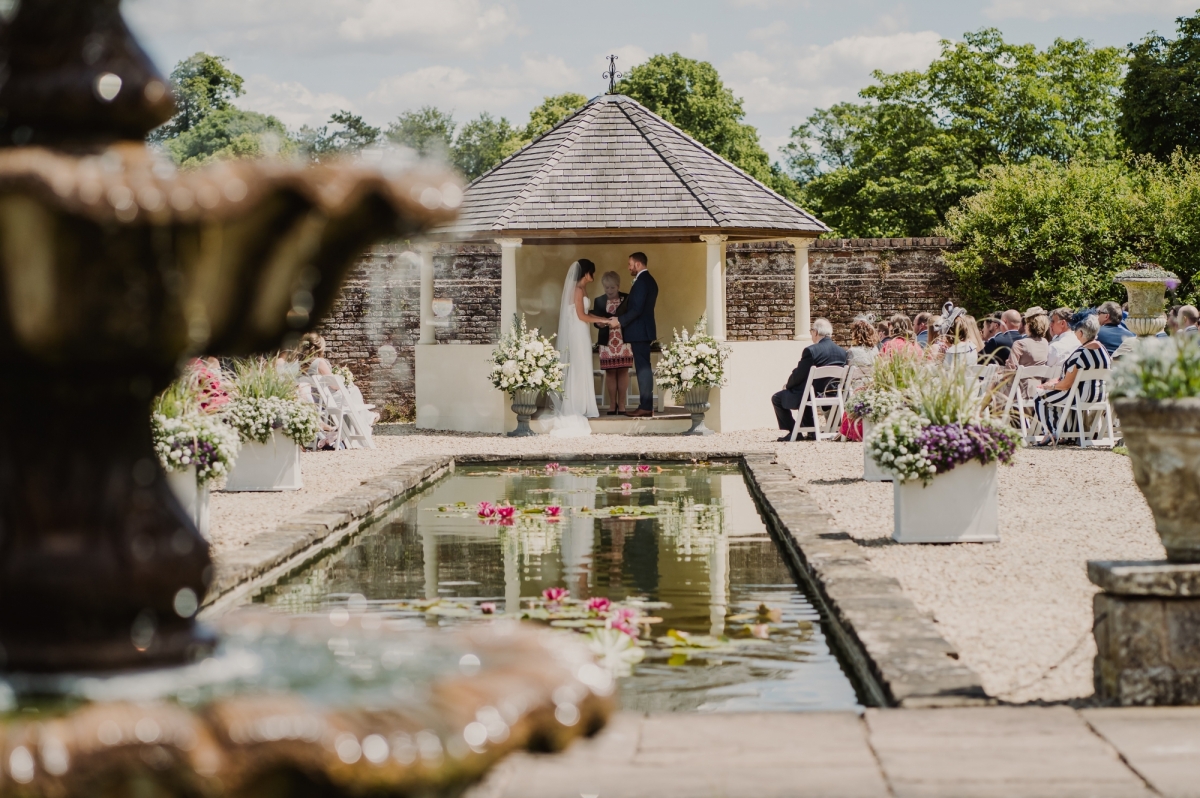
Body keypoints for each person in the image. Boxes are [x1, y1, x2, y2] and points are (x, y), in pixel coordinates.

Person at [546, 259, 609, 437]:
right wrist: (603, 320)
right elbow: (581, 316)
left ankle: (584, 404)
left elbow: (584, 314)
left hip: (582, 331)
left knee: (583, 366)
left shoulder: (582, 289)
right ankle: (576, 405)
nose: (593, 276)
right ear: (586, 273)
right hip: (578, 332)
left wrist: (600, 319)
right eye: (592, 272)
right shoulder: (578, 290)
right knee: (578, 367)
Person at [1033, 314, 1111, 445]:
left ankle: (1051, 432)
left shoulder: (1080, 354)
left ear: (1081, 333)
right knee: (1061, 396)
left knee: (1040, 397)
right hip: (1100, 395)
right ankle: (1066, 436)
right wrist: (1055, 382)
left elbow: (1066, 384)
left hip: (1080, 396)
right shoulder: (1103, 351)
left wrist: (1050, 386)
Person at [772, 318, 847, 442]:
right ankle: (812, 432)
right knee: (806, 392)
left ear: (816, 332)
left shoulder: (811, 351)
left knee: (777, 398)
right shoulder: (842, 352)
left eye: (811, 331)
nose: (811, 334)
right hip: (833, 394)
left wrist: (788, 385)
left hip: (812, 395)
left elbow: (799, 374)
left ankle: (794, 431)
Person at [609, 252, 658, 418]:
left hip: (640, 331)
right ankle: (646, 405)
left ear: (638, 264)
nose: (629, 267)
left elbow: (637, 309)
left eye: (630, 264)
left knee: (643, 369)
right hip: (642, 330)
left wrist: (619, 320)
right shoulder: (647, 280)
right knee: (643, 368)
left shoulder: (642, 281)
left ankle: (645, 406)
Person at [592, 271, 632, 415]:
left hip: (624, 340)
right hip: (607, 341)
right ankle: (612, 404)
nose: (609, 290)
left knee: (623, 370)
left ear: (618, 286)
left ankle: (621, 404)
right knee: (610, 372)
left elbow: (632, 316)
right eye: (606, 287)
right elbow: (595, 319)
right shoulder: (599, 300)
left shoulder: (627, 298)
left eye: (612, 288)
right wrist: (599, 323)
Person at [1007, 310, 1050, 402]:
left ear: (1029, 325)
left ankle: (982, 409)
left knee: (993, 380)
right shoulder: (1045, 343)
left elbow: (1010, 371)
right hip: (1038, 390)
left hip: (1019, 391)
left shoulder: (1020, 344)